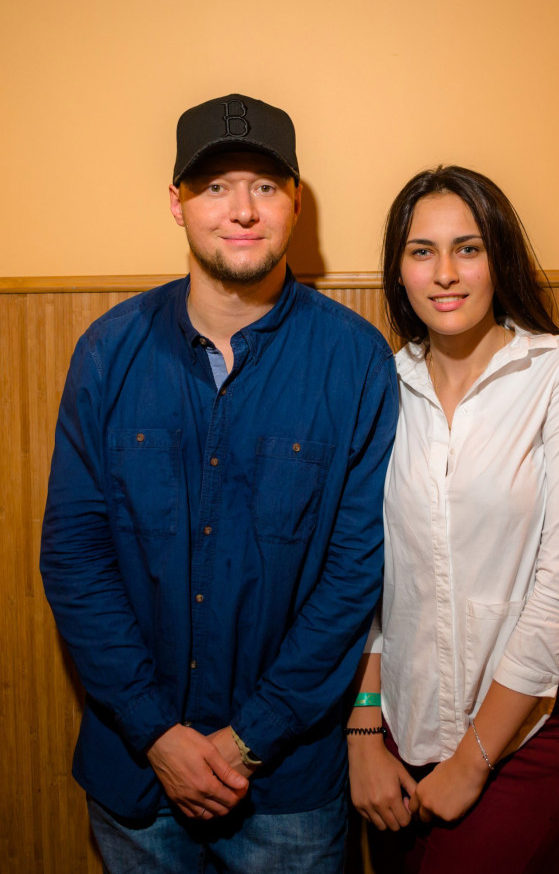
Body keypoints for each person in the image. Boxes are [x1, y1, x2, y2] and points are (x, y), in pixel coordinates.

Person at [40, 93, 398, 874]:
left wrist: (249, 738)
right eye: (214, 187)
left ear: (296, 202)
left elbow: (355, 576)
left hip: (289, 792)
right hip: (137, 779)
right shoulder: (106, 353)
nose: (242, 210)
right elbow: (74, 560)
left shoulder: (357, 362)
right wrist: (156, 732)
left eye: (265, 186)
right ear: (177, 204)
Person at [347, 165, 559, 873]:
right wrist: (363, 733)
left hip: (527, 735)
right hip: (398, 735)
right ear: (398, 270)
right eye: (422, 251)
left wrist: (472, 761)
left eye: (468, 248)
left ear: (500, 258)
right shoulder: (383, 384)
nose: (445, 273)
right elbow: (366, 577)